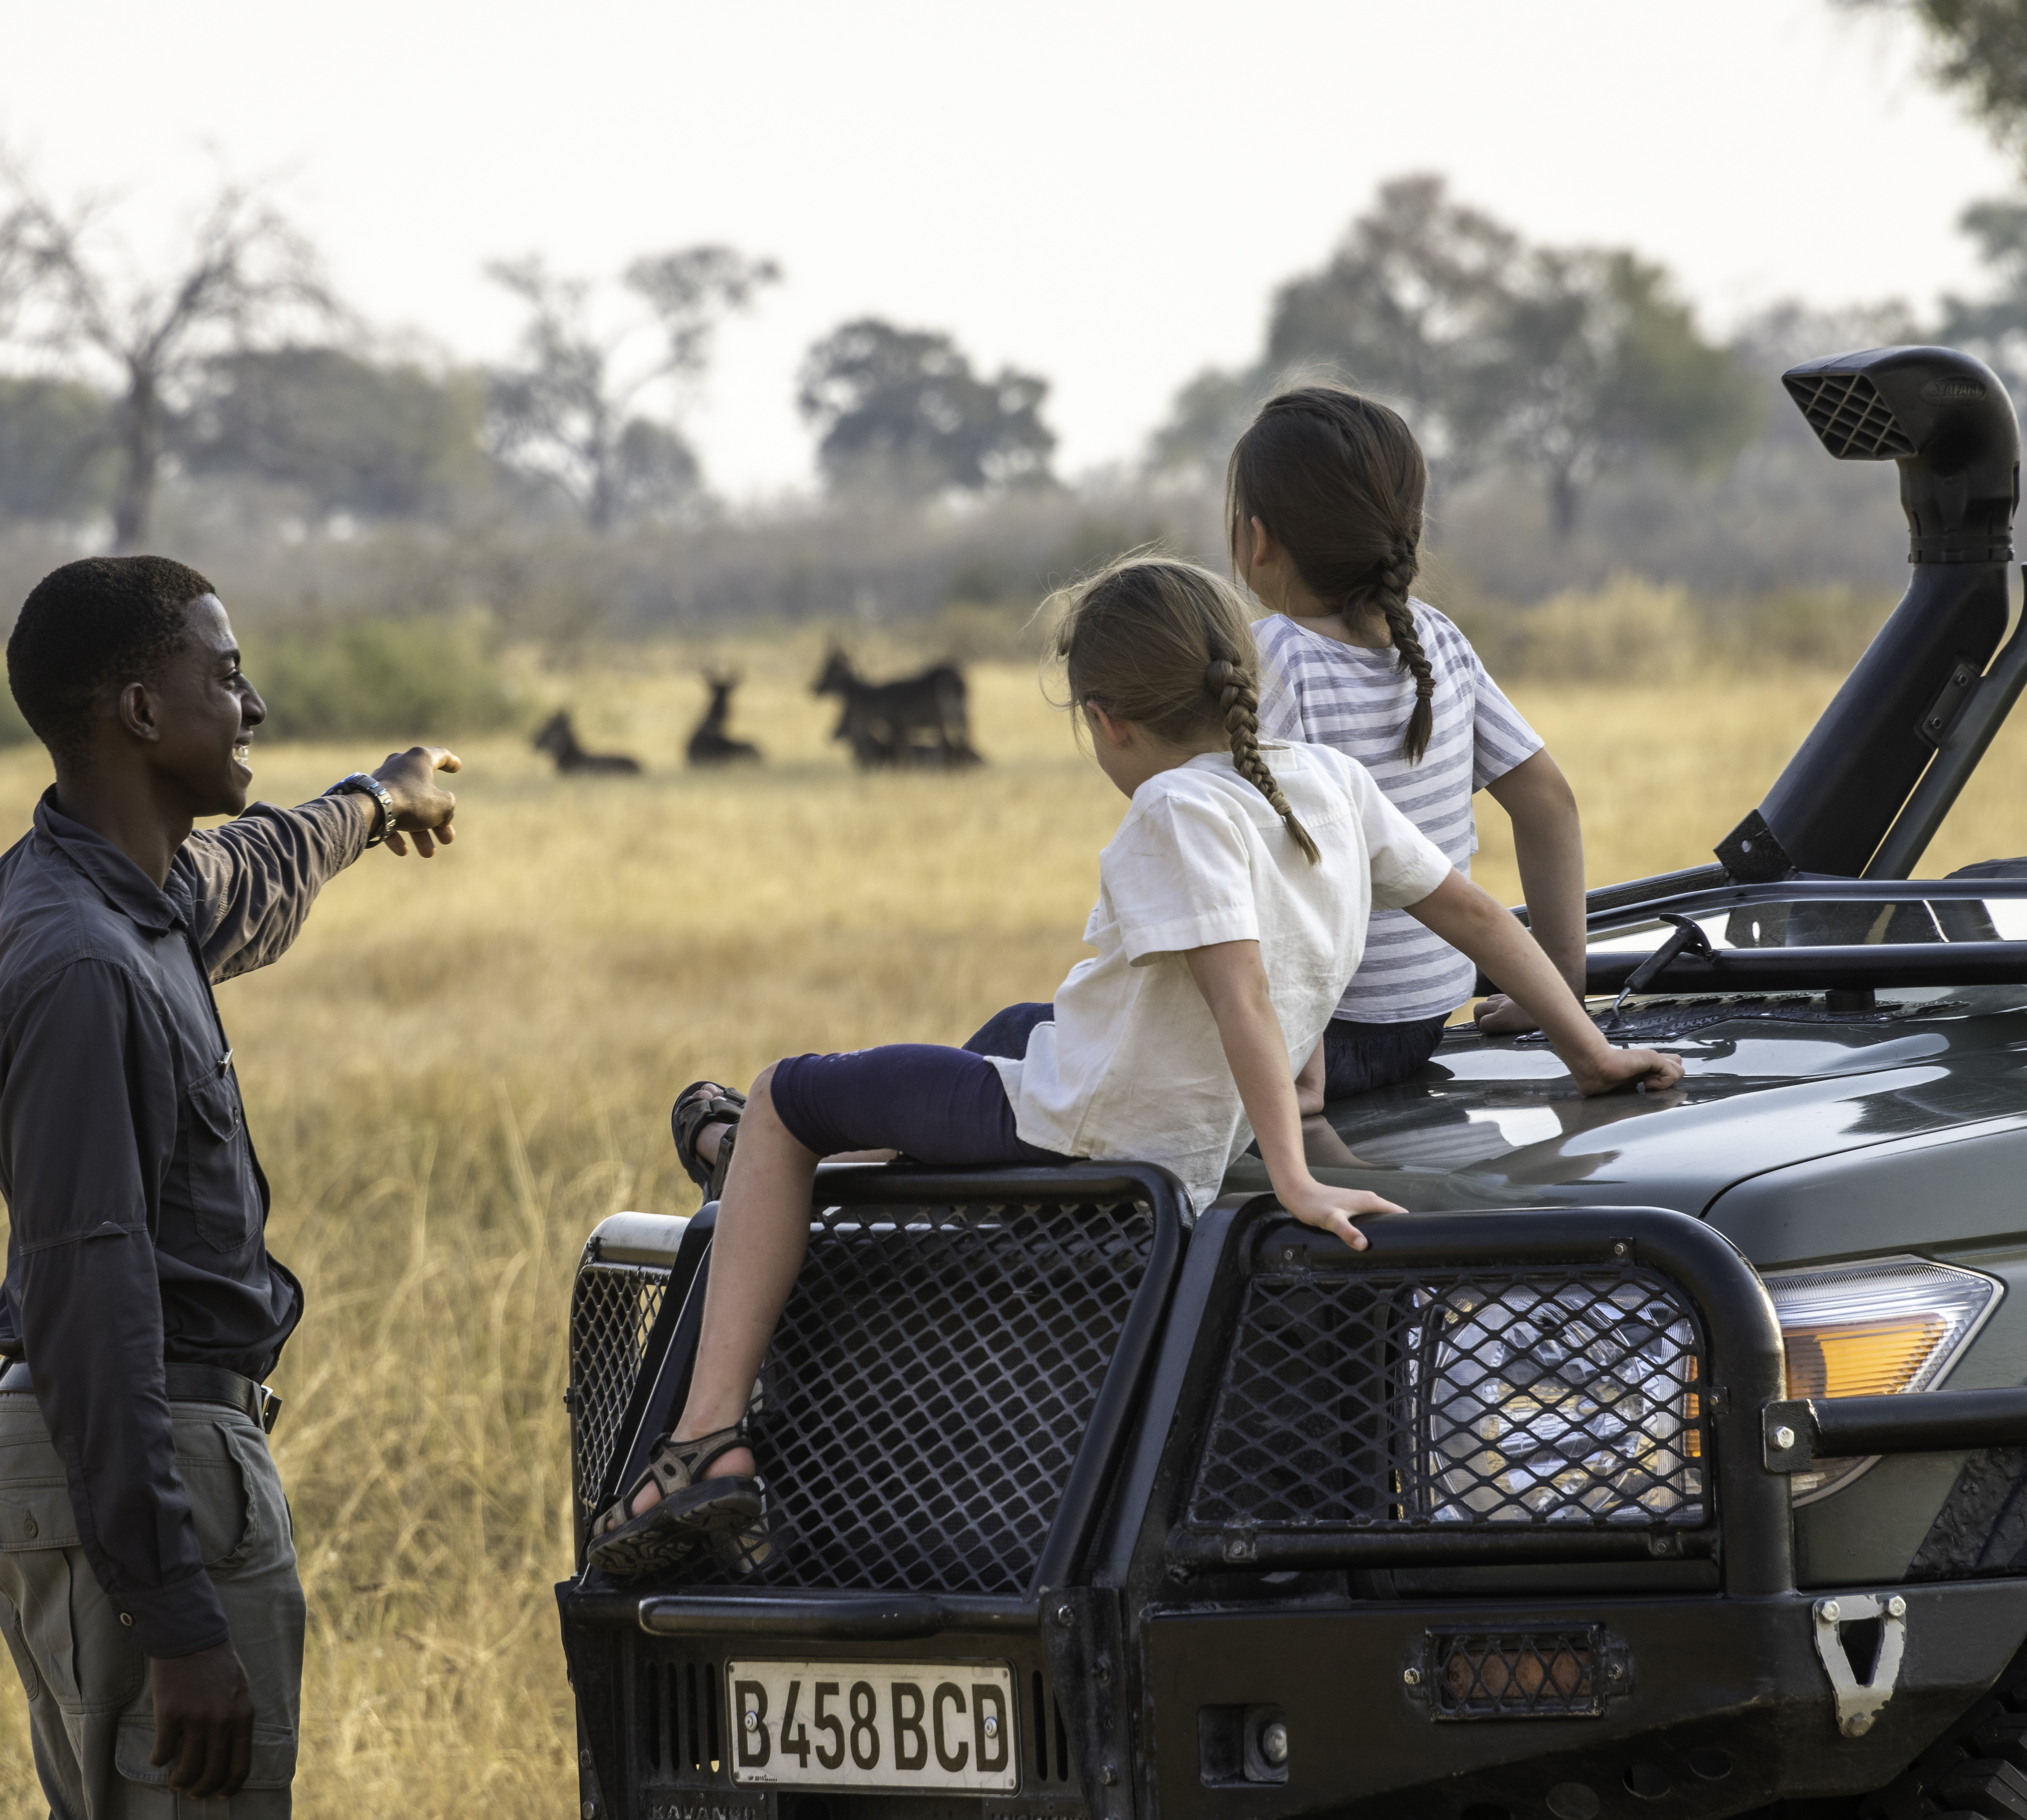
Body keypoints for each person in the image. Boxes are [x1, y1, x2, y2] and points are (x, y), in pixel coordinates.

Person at [604, 555, 1681, 1584]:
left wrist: (1294, 1178)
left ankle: (706, 1435)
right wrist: (1585, 1049)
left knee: (794, 1094)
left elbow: (1239, 994)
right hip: (1163, 1098)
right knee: (1015, 1024)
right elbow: (1477, 913)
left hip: (1090, 1121)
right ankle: (769, 1167)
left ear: (1106, 720)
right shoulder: (1328, 784)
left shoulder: (1170, 810)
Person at [0, 555, 459, 1816]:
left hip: (127, 1460)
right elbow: (91, 1294)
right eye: (225, 678)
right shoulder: (85, 967)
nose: (255, 710)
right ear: (140, 712)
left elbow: (254, 871)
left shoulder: (113, 892)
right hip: (149, 1450)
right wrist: (178, 1614)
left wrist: (372, 799)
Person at [1233, 385, 1588, 1109]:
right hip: (1423, 1021)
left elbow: (1232, 861)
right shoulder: (1433, 637)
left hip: (1319, 1044)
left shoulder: (1273, 659)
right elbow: (1547, 800)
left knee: (1021, 1039)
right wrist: (1556, 987)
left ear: (1257, 538)